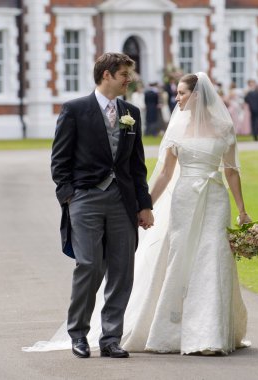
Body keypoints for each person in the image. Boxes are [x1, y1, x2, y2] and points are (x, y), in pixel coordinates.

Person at [23, 72, 251, 356]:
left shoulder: (223, 127)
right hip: (182, 199)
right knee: (172, 259)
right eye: (177, 93)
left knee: (213, 257)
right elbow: (164, 172)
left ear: (197, 95)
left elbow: (231, 170)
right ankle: (157, 330)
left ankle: (210, 332)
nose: (176, 97)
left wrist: (242, 210)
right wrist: (145, 207)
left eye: (181, 93)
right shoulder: (176, 127)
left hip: (215, 198)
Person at [49, 52, 153, 359]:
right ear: (106, 75)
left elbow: (137, 165)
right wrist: (70, 196)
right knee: (90, 266)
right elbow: (59, 160)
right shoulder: (75, 109)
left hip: (123, 201)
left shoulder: (131, 111)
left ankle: (110, 338)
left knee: (122, 270)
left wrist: (144, 205)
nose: (128, 80)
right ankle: (79, 334)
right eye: (123, 74)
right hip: (85, 198)